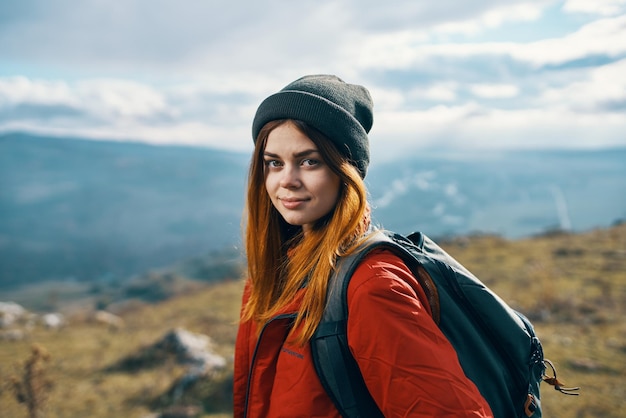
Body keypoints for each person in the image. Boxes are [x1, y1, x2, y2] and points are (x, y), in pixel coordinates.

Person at [233, 74, 493, 417]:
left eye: (310, 161)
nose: (287, 180)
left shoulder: (371, 285)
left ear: (346, 172)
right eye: (274, 163)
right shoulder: (276, 272)